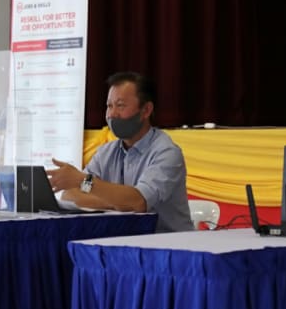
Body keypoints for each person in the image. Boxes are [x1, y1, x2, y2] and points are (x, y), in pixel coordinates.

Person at [47, 71, 194, 232]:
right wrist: (117, 202)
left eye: (120, 105)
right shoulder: (106, 152)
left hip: (166, 243)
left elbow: (138, 202)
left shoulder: (166, 153)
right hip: (122, 239)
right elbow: (70, 195)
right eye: (109, 106)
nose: (112, 114)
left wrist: (85, 182)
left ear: (146, 110)